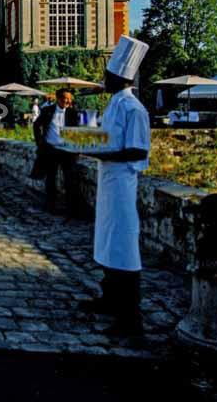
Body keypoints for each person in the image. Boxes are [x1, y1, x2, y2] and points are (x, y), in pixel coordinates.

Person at [75, 35, 151, 337]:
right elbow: (106, 140)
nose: (103, 78)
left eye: (107, 74)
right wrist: (87, 143)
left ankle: (130, 317)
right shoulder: (115, 105)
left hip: (123, 182)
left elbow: (137, 151)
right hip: (109, 179)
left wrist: (96, 151)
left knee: (124, 247)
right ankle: (109, 298)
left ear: (120, 76)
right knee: (106, 242)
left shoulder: (134, 109)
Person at [31, 89, 80, 218]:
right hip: (51, 149)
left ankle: (71, 208)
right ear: (58, 98)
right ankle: (51, 205)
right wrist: (39, 142)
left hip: (67, 151)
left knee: (69, 179)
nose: (68, 101)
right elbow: (36, 125)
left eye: (70, 99)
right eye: (66, 98)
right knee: (51, 178)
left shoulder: (73, 113)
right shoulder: (47, 111)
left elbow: (77, 132)